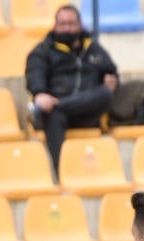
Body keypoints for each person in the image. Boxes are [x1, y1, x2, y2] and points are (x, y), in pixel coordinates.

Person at [24, 4, 119, 171]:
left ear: (79, 25)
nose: (67, 28)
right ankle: (64, 172)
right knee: (51, 113)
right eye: (63, 24)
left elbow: (112, 72)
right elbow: (35, 74)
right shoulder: (43, 51)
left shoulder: (94, 49)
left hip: (86, 112)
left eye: (71, 23)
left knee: (105, 93)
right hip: (54, 116)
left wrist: (111, 79)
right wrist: (39, 94)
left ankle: (60, 105)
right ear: (55, 26)